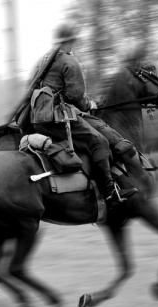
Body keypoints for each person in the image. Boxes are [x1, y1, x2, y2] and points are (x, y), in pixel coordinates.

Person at [28, 22, 138, 206]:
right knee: (99, 141)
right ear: (70, 41)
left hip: (38, 119)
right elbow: (77, 97)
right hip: (57, 118)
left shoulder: (43, 60)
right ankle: (110, 193)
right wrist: (90, 104)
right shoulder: (69, 61)